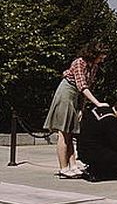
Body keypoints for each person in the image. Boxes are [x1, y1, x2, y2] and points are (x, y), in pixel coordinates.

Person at [43, 42, 108, 178]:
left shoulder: (93, 67)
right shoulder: (79, 62)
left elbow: (86, 87)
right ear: (94, 54)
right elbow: (82, 86)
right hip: (66, 93)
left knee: (70, 133)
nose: (102, 59)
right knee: (63, 133)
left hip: (76, 97)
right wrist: (98, 103)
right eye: (101, 56)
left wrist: (81, 109)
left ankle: (73, 165)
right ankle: (63, 167)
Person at [78, 96, 117, 182]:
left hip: (83, 150)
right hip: (94, 154)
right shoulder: (111, 120)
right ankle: (101, 174)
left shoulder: (99, 110)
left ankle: (94, 169)